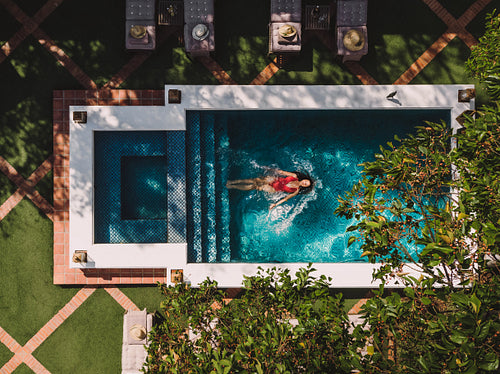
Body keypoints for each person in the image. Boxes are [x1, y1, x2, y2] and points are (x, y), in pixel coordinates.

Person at [226, 169, 314, 210]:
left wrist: (275, 204)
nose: (304, 183)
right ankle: (233, 182)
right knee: (256, 180)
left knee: (256, 186)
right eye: (306, 181)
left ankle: (233, 186)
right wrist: (270, 169)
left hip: (274, 188)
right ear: (304, 179)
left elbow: (285, 199)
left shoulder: (296, 191)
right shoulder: (294, 176)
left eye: (306, 185)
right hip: (275, 179)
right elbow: (282, 172)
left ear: (305, 187)